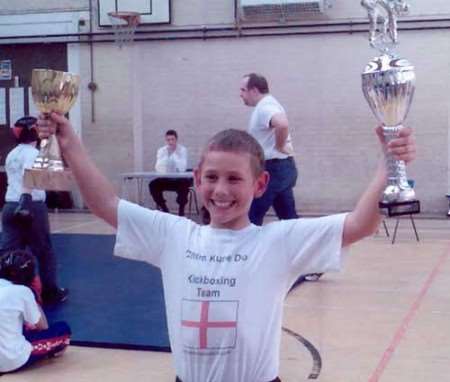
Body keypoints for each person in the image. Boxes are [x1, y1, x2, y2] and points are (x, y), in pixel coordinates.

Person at [37, 112, 415, 382]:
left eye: (235, 179)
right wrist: (69, 143)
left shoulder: (279, 242)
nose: (221, 190)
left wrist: (389, 164)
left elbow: (359, 224)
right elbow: (105, 204)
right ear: (197, 180)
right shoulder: (174, 236)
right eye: (212, 178)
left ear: (261, 184)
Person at [0, 116, 68, 305]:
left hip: (9, 205)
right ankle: (50, 292)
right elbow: (29, 177)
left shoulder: (12, 154)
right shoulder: (32, 153)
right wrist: (26, 201)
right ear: (34, 132)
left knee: (8, 252)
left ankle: (5, 292)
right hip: (29, 205)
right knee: (44, 251)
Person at [240, 73, 298, 226]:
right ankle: (300, 247)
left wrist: (279, 146)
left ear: (254, 90)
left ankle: (245, 249)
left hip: (273, 169)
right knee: (288, 219)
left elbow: (282, 124)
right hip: (281, 168)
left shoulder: (265, 106)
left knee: (251, 217)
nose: (240, 95)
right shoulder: (268, 104)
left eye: (243, 90)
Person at [0, 249, 71, 374]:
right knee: (63, 329)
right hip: (11, 360)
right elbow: (43, 326)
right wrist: (35, 297)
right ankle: (55, 350)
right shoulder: (22, 291)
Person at [149, 129, 192, 216]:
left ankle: (181, 212)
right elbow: (158, 168)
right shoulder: (161, 151)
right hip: (166, 179)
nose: (170, 142)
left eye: (172, 139)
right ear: (166, 140)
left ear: (176, 139)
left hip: (179, 179)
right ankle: (165, 210)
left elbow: (182, 168)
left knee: (184, 185)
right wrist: (167, 156)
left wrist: (174, 154)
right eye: (168, 140)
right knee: (153, 185)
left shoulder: (182, 150)